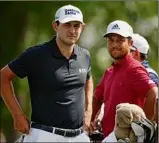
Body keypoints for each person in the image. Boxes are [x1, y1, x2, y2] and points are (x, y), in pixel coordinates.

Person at [0, 4, 93, 142]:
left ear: (82, 27)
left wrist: (88, 109)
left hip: (79, 136)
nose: (72, 30)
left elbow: (88, 79)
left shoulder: (84, 55)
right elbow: (3, 77)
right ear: (55, 26)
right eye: (67, 25)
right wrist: (17, 115)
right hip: (44, 135)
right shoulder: (36, 54)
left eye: (76, 25)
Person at [89, 20, 158, 138]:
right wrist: (91, 120)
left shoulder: (134, 68)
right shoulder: (109, 71)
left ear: (130, 43)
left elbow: (153, 92)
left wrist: (144, 127)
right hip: (108, 136)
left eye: (120, 40)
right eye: (111, 40)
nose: (114, 44)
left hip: (126, 139)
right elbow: (97, 97)